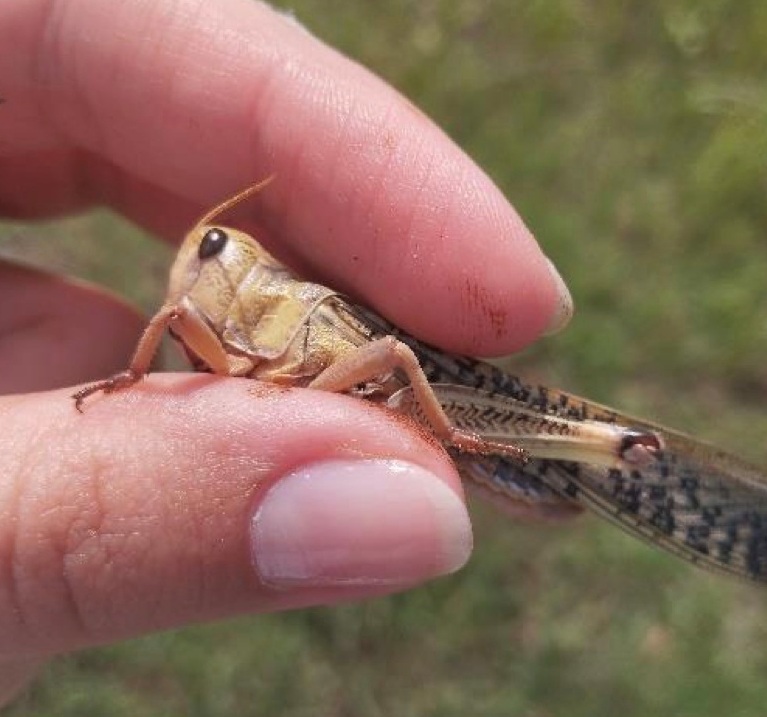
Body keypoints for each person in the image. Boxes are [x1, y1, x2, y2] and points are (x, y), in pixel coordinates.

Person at [0, 0, 572, 704]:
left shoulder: (291, 310)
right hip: (369, 389)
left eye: (213, 251)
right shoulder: (218, 322)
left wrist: (453, 438)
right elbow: (181, 315)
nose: (195, 273)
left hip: (417, 391)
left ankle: (573, 449)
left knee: (391, 350)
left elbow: (387, 356)